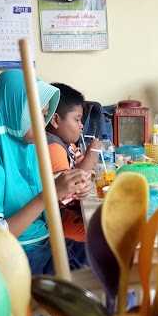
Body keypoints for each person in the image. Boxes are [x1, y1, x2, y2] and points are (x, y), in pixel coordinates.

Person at [0, 70, 91, 274]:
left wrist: (69, 188)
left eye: (44, 115)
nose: (43, 124)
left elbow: (38, 190)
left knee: (106, 256)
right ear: (13, 109)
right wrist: (48, 195)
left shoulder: (27, 147)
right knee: (93, 275)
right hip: (10, 259)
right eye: (38, 115)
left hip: (42, 244)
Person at [47, 83, 101, 248]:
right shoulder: (53, 147)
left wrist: (85, 158)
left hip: (70, 214)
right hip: (60, 223)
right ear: (56, 120)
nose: (81, 125)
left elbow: (78, 165)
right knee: (107, 238)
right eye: (77, 119)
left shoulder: (67, 144)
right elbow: (69, 192)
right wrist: (92, 155)